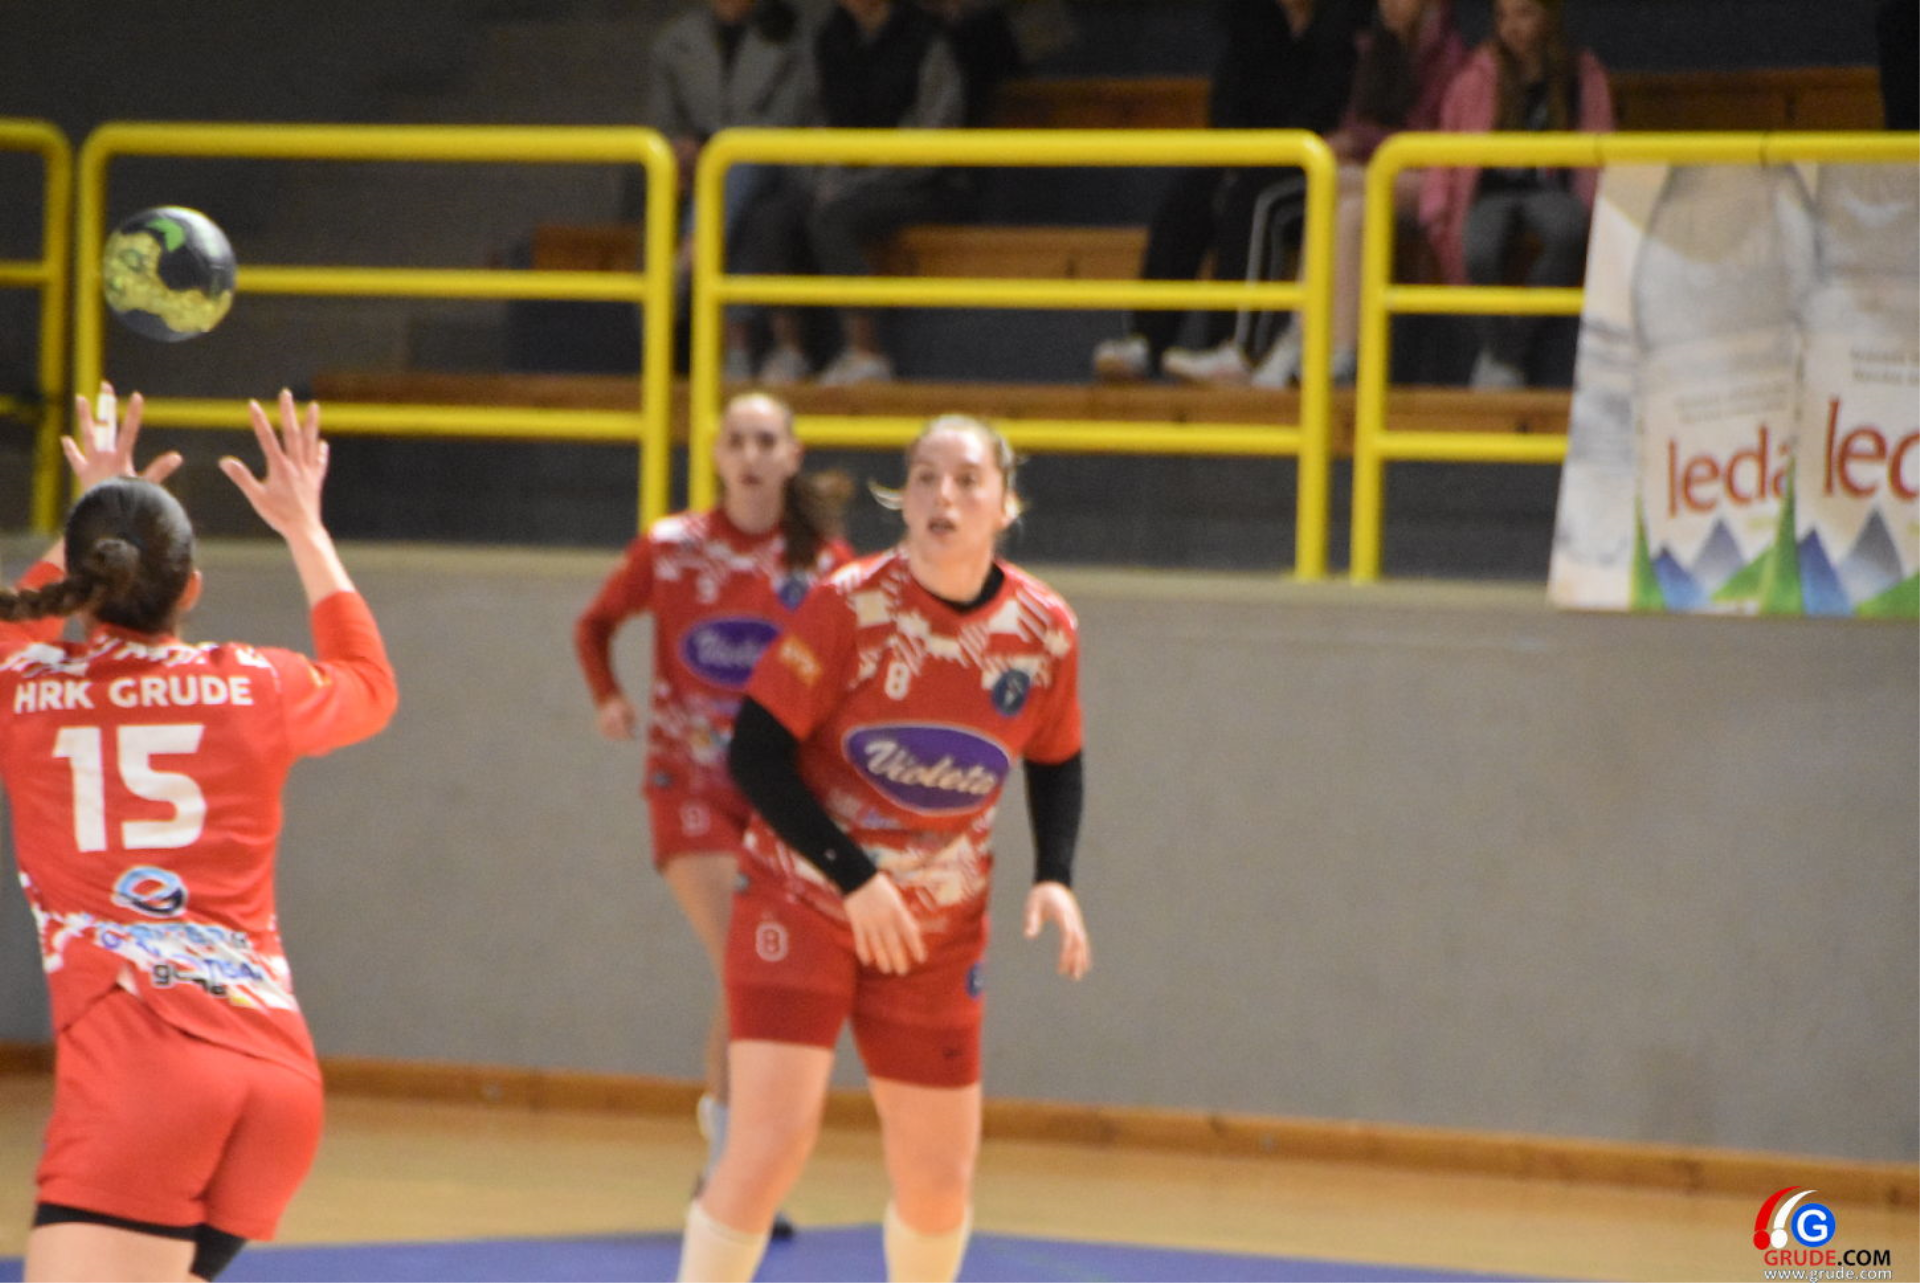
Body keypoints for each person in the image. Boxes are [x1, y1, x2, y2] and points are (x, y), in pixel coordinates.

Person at [672, 414, 1091, 1283]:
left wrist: (1055, 874)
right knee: (769, 1144)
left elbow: (1057, 756)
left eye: (967, 479)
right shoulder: (851, 604)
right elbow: (755, 753)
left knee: (939, 1181)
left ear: (1005, 503)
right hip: (804, 900)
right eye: (925, 476)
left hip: (936, 929)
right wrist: (855, 878)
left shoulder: (1045, 627)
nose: (944, 495)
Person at [0, 386, 398, 1283]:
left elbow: (15, 627)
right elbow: (370, 683)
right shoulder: (258, 683)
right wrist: (305, 528)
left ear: (82, 587)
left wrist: (90, 516)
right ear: (192, 589)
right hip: (278, 1077)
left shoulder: (24, 688)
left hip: (145, 1082)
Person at [573, 392, 852, 1225]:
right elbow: (595, 624)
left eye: (767, 440)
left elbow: (855, 665)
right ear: (717, 453)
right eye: (738, 440)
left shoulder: (828, 564)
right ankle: (731, 1165)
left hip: (782, 794)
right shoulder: (672, 547)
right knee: (743, 951)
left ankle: (733, 1165)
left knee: (763, 972)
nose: (752, 455)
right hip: (688, 783)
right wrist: (609, 696)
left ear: (793, 454)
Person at [1090, 0, 1362, 386]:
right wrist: (1246, 153)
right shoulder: (1251, 22)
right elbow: (1226, 109)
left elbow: (1334, 113)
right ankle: (1145, 340)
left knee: (1260, 199)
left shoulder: (1348, 28)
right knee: (1193, 194)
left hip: (1319, 165)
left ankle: (1240, 349)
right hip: (1255, 158)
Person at [730, 0, 968, 386]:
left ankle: (867, 352)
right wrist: (826, 171)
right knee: (770, 218)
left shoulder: (927, 38)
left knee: (833, 218)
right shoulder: (829, 37)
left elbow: (937, 132)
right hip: (839, 175)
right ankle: (790, 350)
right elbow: (813, 117)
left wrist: (862, 173)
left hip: (918, 180)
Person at [1249, 0, 1466, 388]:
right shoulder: (1376, 48)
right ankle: (1338, 350)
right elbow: (1357, 117)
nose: (1389, 5)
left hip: (1431, 179)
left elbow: (1431, 137)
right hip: (1378, 173)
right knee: (1350, 211)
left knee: (1335, 181)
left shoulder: (1450, 56)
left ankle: (1300, 335)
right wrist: (1353, 141)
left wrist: (1360, 141)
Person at [1419, 0, 1613, 389]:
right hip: (1491, 192)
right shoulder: (1479, 73)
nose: (1512, 27)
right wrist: (1438, 206)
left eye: (1524, 14)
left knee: (1568, 230)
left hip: (1549, 189)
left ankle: (1506, 353)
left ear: (1547, 16)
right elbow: (1448, 142)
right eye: (1503, 16)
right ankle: (1505, 353)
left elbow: (1599, 142)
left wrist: (1594, 205)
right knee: (1478, 248)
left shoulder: (1578, 71)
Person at [644, 0, 816, 381]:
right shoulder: (676, 40)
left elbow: (788, 120)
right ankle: (734, 353)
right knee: (733, 205)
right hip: (707, 175)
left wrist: (711, 144)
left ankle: (690, 255)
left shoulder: (788, 35)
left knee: (733, 172)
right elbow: (663, 122)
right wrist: (681, 149)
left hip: (780, 165)